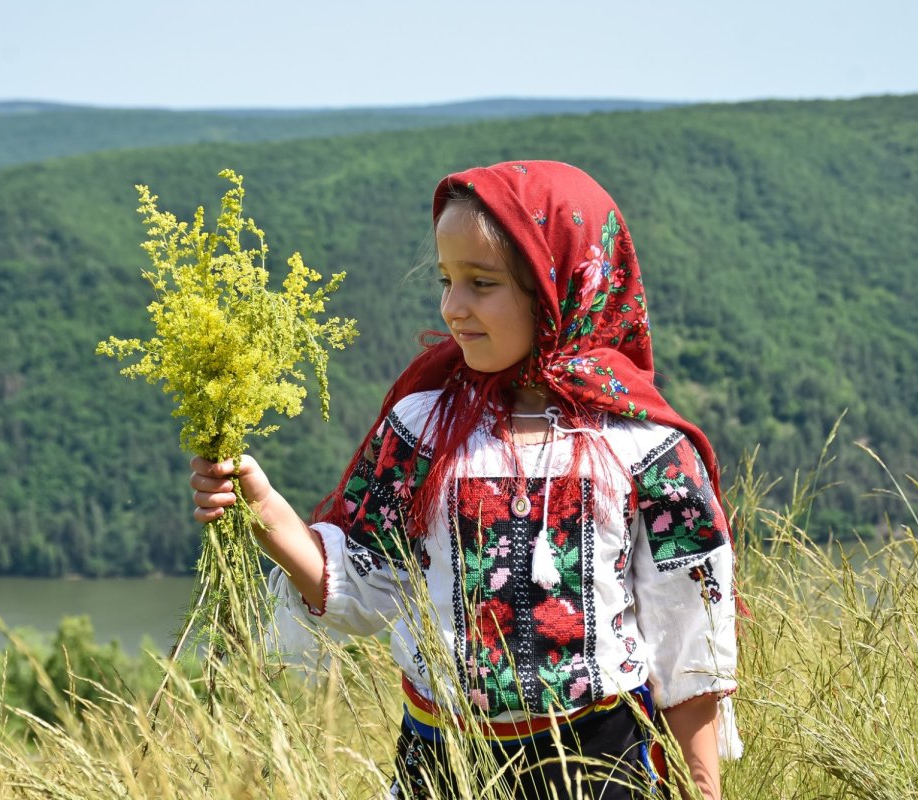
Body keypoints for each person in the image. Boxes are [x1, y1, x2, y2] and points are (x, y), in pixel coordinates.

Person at [190, 161, 740, 799]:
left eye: (481, 283)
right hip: (443, 762)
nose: (453, 307)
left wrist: (703, 791)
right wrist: (263, 508)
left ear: (557, 286)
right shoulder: (422, 430)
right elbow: (367, 586)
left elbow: (688, 643)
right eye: (447, 280)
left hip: (600, 763)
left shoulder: (642, 447)